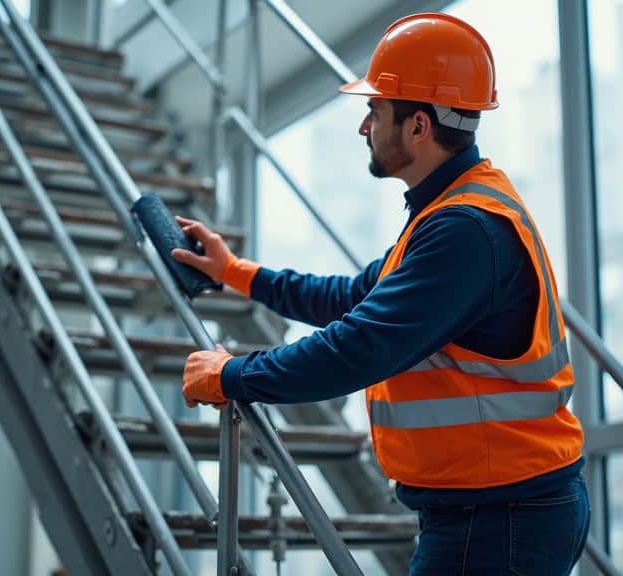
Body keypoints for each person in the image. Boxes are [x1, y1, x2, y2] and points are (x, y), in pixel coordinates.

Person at [173, 12, 589, 575]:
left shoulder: (465, 230)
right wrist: (235, 271)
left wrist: (232, 375)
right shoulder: (447, 214)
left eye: (375, 111)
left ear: (418, 126)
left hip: (499, 516)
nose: (364, 127)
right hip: (492, 506)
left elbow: (360, 346)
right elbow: (350, 297)